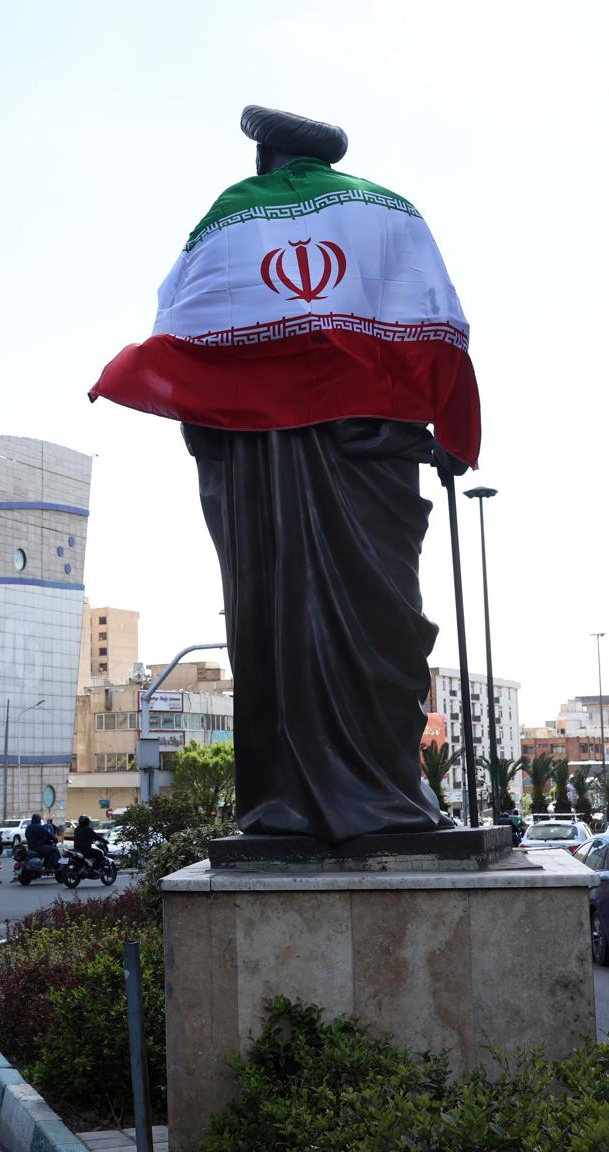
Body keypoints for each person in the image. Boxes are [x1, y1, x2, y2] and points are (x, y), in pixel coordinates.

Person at [90, 106, 481, 846]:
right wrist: (449, 430)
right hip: (371, 454)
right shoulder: (388, 214)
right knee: (385, 623)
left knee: (273, 621)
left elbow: (184, 335)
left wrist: (217, 422)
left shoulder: (228, 221)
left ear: (264, 155)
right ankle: (389, 789)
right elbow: (438, 325)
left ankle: (287, 801)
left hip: (258, 463)